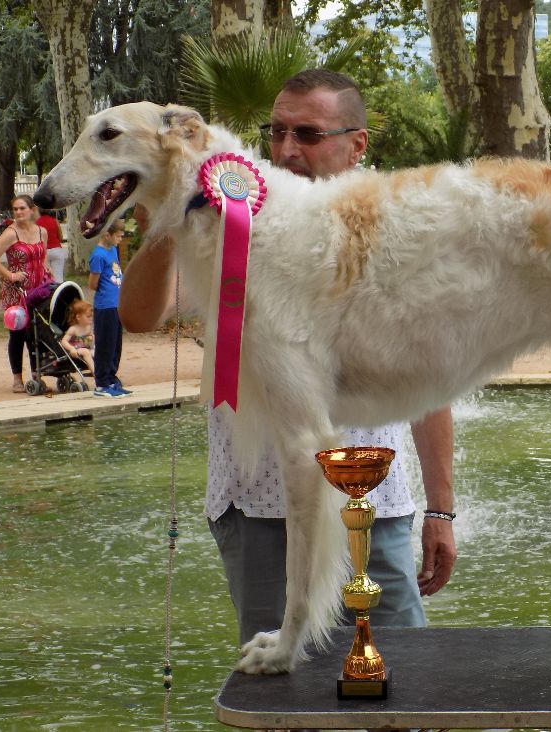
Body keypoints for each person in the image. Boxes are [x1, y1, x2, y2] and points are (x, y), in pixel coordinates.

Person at [119, 69, 457, 647]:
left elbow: (431, 378)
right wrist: (168, 222)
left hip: (379, 507)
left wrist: (442, 510)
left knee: (402, 690)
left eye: (307, 133)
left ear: (357, 144)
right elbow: (140, 316)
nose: (286, 149)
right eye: (276, 132)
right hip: (256, 507)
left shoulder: (401, 227)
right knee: (280, 695)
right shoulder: (226, 214)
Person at [0, 194, 51, 393]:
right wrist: (10, 275)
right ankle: (17, 379)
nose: (19, 212)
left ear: (31, 210)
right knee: (18, 334)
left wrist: (47, 270)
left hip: (39, 289)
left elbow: (44, 255)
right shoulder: (11, 233)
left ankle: (37, 375)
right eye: (16, 209)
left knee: (37, 333)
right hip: (18, 292)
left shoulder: (42, 231)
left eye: (23, 208)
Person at [88, 220, 130, 398]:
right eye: (118, 236)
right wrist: (107, 293)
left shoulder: (112, 249)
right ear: (107, 235)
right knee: (105, 344)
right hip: (105, 306)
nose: (121, 239)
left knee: (115, 344)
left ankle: (111, 378)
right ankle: (101, 383)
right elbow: (92, 284)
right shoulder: (98, 255)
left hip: (116, 305)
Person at [59, 299, 95, 377]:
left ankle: (104, 372)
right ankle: (96, 373)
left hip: (88, 348)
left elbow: (92, 338)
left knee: (99, 351)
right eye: (88, 317)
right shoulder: (73, 329)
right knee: (86, 352)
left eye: (91, 316)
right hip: (75, 350)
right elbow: (64, 341)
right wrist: (71, 348)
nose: (91, 318)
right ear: (78, 317)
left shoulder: (88, 327)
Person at [36, 208, 65, 282]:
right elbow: (61, 238)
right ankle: (59, 292)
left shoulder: (36, 223)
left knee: (45, 278)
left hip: (43, 252)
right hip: (56, 249)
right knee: (58, 277)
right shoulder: (55, 221)